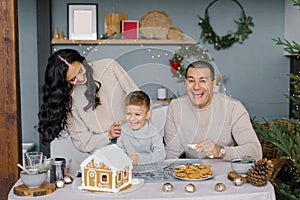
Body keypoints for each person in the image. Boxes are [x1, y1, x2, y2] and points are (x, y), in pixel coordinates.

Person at [37, 49, 138, 153]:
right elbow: (81, 142)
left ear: (81, 61)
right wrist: (108, 135)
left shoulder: (109, 66)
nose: (81, 79)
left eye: (80, 70)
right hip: (104, 151)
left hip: (134, 138)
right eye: (73, 79)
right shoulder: (68, 98)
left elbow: (140, 99)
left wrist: (130, 124)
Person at [164, 60, 262, 161]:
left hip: (225, 170)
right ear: (186, 83)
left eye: (203, 81)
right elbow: (171, 153)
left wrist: (220, 151)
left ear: (213, 84)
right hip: (191, 171)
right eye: (191, 81)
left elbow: (256, 152)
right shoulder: (175, 107)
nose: (196, 87)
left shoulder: (233, 107)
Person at [116, 91, 166, 165]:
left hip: (149, 168)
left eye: (137, 114)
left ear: (147, 115)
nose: (132, 118)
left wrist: (139, 159)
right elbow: (118, 152)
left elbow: (161, 154)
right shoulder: (123, 130)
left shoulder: (152, 130)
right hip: (129, 170)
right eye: (128, 114)